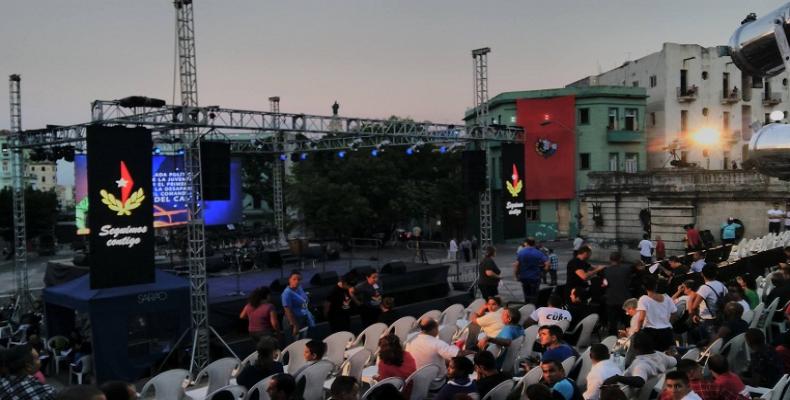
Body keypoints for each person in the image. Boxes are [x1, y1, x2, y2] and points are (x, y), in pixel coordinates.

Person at [603, 332, 676, 396]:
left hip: (625, 394)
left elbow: (639, 381)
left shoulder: (641, 365)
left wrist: (617, 378)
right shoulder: (661, 356)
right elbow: (676, 361)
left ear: (635, 347)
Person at [657, 359, 746, 400]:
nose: (702, 372)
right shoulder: (710, 387)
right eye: (700, 370)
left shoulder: (666, 394)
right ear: (691, 373)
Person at [635, 275, 677, 351]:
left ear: (644, 287)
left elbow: (641, 318)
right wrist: (667, 322)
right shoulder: (667, 297)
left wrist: (638, 331)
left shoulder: (644, 299)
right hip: (667, 331)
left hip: (651, 332)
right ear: (656, 286)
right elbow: (674, 313)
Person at [689, 264, 727, 344]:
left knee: (706, 343)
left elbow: (694, 306)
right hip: (720, 318)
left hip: (707, 320)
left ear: (702, 274)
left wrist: (693, 314)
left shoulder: (704, 288)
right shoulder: (722, 285)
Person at [603, 252, 632, 335]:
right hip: (624, 298)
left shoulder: (606, 270)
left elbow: (605, 284)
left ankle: (612, 339)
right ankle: (628, 337)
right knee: (627, 321)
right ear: (620, 259)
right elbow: (629, 282)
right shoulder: (626, 269)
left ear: (610, 259)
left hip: (611, 299)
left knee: (612, 322)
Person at [514, 237, 550, 304]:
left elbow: (516, 265)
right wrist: (543, 272)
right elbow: (547, 263)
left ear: (526, 243)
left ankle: (527, 307)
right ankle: (534, 308)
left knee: (526, 294)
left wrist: (516, 275)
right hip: (535, 277)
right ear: (534, 243)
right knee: (535, 295)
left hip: (524, 277)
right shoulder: (538, 252)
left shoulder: (521, 252)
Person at [281, 271, 312, 338]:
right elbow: (287, 310)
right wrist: (295, 325)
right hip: (293, 321)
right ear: (289, 280)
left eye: (299, 279)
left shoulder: (299, 288)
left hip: (302, 319)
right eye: (294, 279)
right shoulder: (287, 293)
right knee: (293, 342)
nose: (297, 281)